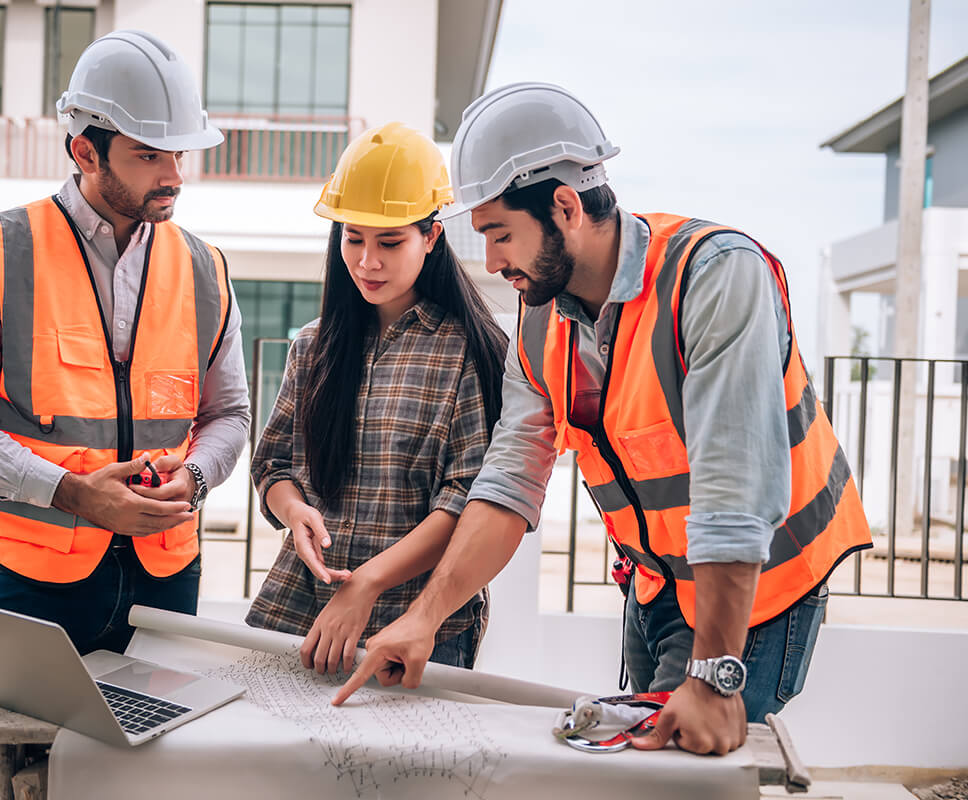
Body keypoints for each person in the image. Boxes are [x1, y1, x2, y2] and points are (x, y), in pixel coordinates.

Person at [333, 83, 872, 756]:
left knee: (690, 767)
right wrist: (423, 618)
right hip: (654, 588)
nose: (494, 263)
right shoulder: (540, 316)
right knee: (636, 764)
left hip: (757, 589)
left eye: (502, 235)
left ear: (565, 206)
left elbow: (733, 494)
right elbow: (506, 485)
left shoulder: (714, 276)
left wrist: (712, 677)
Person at [0, 31, 250, 799]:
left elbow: (231, 414)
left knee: (144, 783)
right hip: (32, 582)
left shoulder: (204, 267)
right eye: (148, 154)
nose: (173, 175)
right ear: (85, 151)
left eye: (179, 154)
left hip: (167, 580)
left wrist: (194, 478)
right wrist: (73, 493)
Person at [244, 122, 508, 674]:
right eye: (352, 238)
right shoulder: (314, 345)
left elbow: (465, 502)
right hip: (302, 608)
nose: (367, 262)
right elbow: (273, 464)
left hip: (415, 623)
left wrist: (366, 584)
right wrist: (295, 514)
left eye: (390, 242)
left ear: (432, 237)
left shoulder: (470, 353)